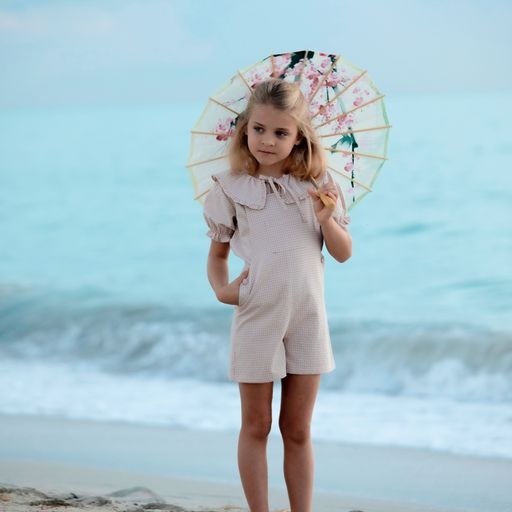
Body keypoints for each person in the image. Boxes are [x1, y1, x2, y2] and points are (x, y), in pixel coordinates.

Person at [203, 78, 352, 512]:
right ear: (245, 129)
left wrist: (326, 219)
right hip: (257, 315)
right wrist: (223, 291)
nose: (267, 141)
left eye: (280, 132)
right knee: (256, 425)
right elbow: (217, 255)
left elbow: (343, 253)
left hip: (307, 318)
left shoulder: (319, 185)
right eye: (259, 129)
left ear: (299, 136)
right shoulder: (229, 187)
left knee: (298, 429)